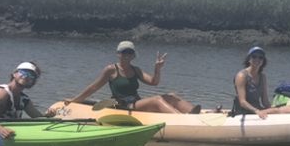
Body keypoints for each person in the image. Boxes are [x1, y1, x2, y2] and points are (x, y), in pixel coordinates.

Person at [67, 41, 200, 113]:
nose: (127, 55)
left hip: (136, 102)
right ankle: (181, 119)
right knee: (157, 100)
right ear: (118, 54)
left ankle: (193, 113)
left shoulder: (136, 70)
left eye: (130, 53)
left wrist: (157, 69)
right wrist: (74, 100)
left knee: (171, 96)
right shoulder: (111, 70)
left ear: (133, 55)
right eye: (124, 52)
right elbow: (93, 87)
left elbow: (154, 82)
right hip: (123, 105)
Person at [0, 61, 51, 139]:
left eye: (32, 75)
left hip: (7, 134)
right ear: (14, 74)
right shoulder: (1, 92)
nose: (27, 76)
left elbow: (38, 118)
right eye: (24, 72)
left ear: (33, 82)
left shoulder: (24, 99)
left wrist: (49, 116)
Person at [233, 46, 290, 119]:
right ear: (249, 59)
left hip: (257, 110)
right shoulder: (241, 76)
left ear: (263, 61)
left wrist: (274, 108)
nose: (257, 59)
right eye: (254, 57)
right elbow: (242, 102)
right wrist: (257, 111)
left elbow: (265, 101)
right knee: (286, 110)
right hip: (244, 112)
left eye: (260, 57)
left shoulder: (262, 77)